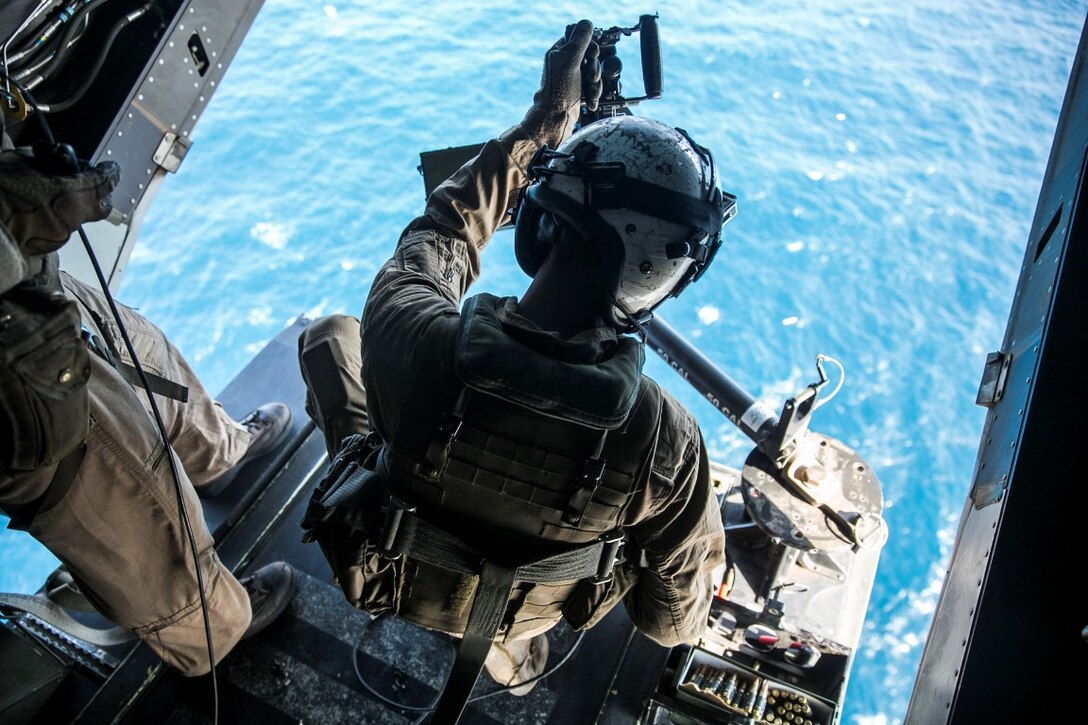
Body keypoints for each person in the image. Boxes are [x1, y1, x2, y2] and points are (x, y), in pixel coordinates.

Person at [298, 19, 729, 717]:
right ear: (661, 282)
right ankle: (511, 654)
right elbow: (671, 623)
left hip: (387, 574)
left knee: (328, 339)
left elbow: (439, 233)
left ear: (543, 221)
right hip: (523, 613)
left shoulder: (411, 336)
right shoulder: (666, 444)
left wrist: (545, 124)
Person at [0, 144, 297, 676]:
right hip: (12, 369)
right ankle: (209, 627)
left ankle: (217, 451)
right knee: (120, 493)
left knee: (135, 348)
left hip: (29, 286)